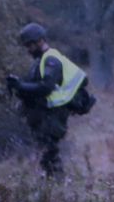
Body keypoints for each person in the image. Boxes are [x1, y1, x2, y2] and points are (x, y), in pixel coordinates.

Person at [6, 23, 86, 177]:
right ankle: (54, 189)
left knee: (50, 154)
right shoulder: (41, 60)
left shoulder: (51, 60)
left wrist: (21, 86)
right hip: (46, 114)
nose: (28, 49)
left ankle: (56, 189)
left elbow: (46, 87)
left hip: (53, 115)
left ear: (40, 40)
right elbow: (37, 86)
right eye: (26, 45)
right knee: (47, 154)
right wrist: (18, 86)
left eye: (30, 44)